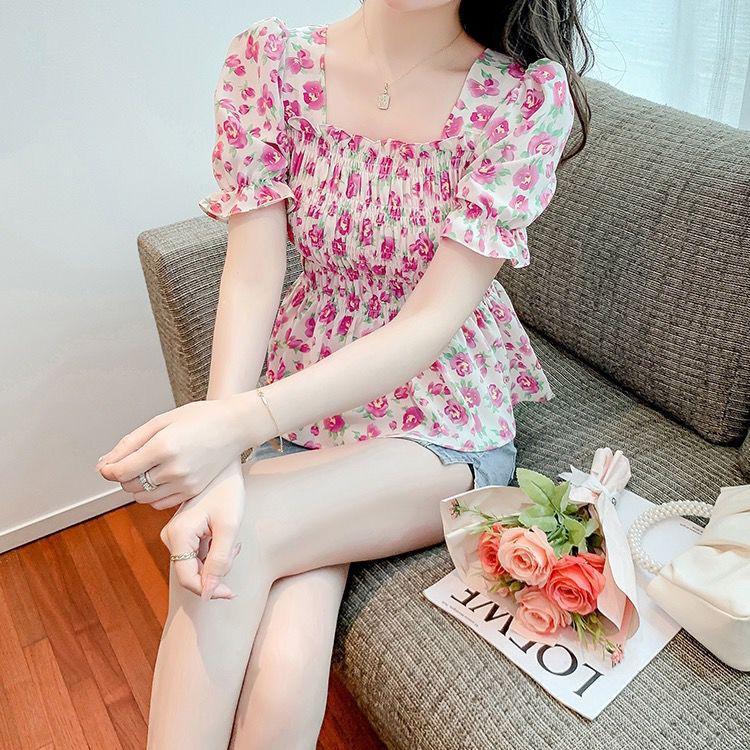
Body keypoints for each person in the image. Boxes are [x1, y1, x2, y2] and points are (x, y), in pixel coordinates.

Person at [96, 1, 591, 746]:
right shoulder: (270, 63)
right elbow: (252, 273)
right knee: (283, 652)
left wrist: (233, 427)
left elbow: (429, 324)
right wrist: (224, 449)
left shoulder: (521, 98)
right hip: (305, 403)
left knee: (226, 540)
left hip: (441, 423)